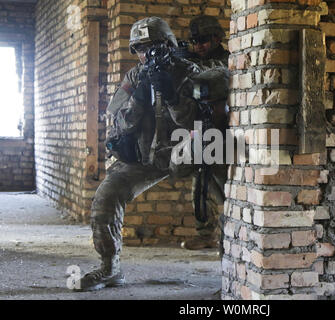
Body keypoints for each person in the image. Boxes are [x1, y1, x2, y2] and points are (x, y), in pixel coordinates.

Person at [75, 16, 203, 292]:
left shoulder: (189, 72)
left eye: (154, 47)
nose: (148, 55)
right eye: (141, 49)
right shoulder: (135, 76)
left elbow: (194, 124)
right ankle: (109, 269)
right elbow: (118, 122)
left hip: (184, 154)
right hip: (146, 159)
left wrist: (171, 96)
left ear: (169, 45)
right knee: (104, 200)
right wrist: (139, 98)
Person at [180, 16, 230, 251]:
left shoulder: (225, 59)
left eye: (202, 40)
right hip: (201, 129)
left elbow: (217, 74)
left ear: (216, 39)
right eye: (193, 41)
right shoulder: (194, 61)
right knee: (200, 182)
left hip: (224, 131)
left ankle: (231, 235)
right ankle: (205, 233)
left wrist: (187, 67)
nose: (197, 45)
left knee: (224, 186)